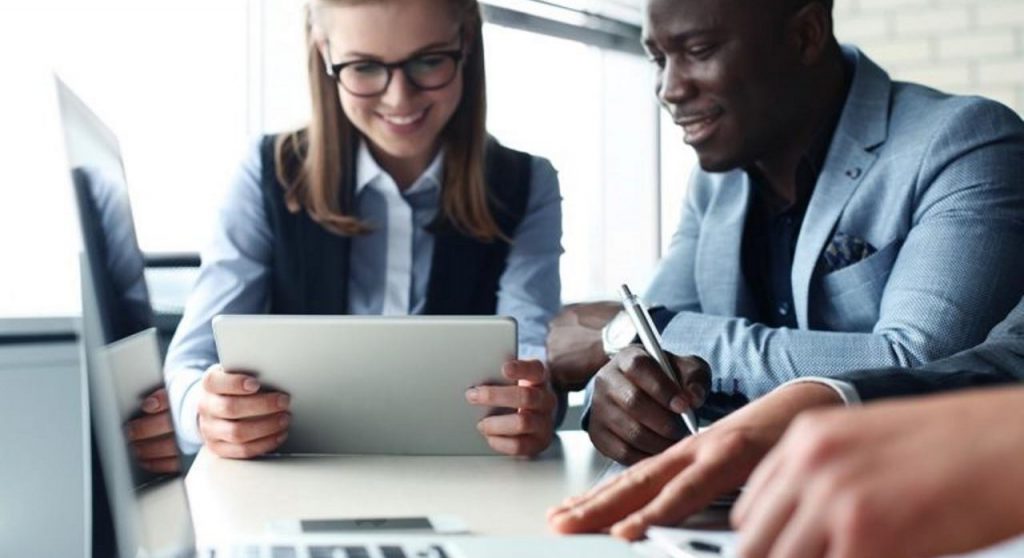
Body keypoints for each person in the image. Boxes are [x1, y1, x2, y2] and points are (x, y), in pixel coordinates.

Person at [546, 0, 1024, 465]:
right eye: (658, 59)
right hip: (744, 506)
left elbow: (919, 365)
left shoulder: (966, 141)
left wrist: (643, 330)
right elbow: (647, 360)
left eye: (698, 51)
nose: (669, 88)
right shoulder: (716, 181)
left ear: (806, 35)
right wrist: (623, 397)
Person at [164, 0, 563, 459]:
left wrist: (534, 402)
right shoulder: (266, 172)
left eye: (429, 60)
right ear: (324, 53)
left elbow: (531, 347)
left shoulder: (527, 183)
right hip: (294, 476)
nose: (399, 99)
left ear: (466, 42)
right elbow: (189, 365)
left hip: (463, 474)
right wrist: (207, 409)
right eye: (365, 67)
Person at [548, 298, 1024, 557]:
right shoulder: (718, 187)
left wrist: (655, 322)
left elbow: (919, 353)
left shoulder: (956, 141)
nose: (669, 107)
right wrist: (623, 386)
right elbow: (1012, 353)